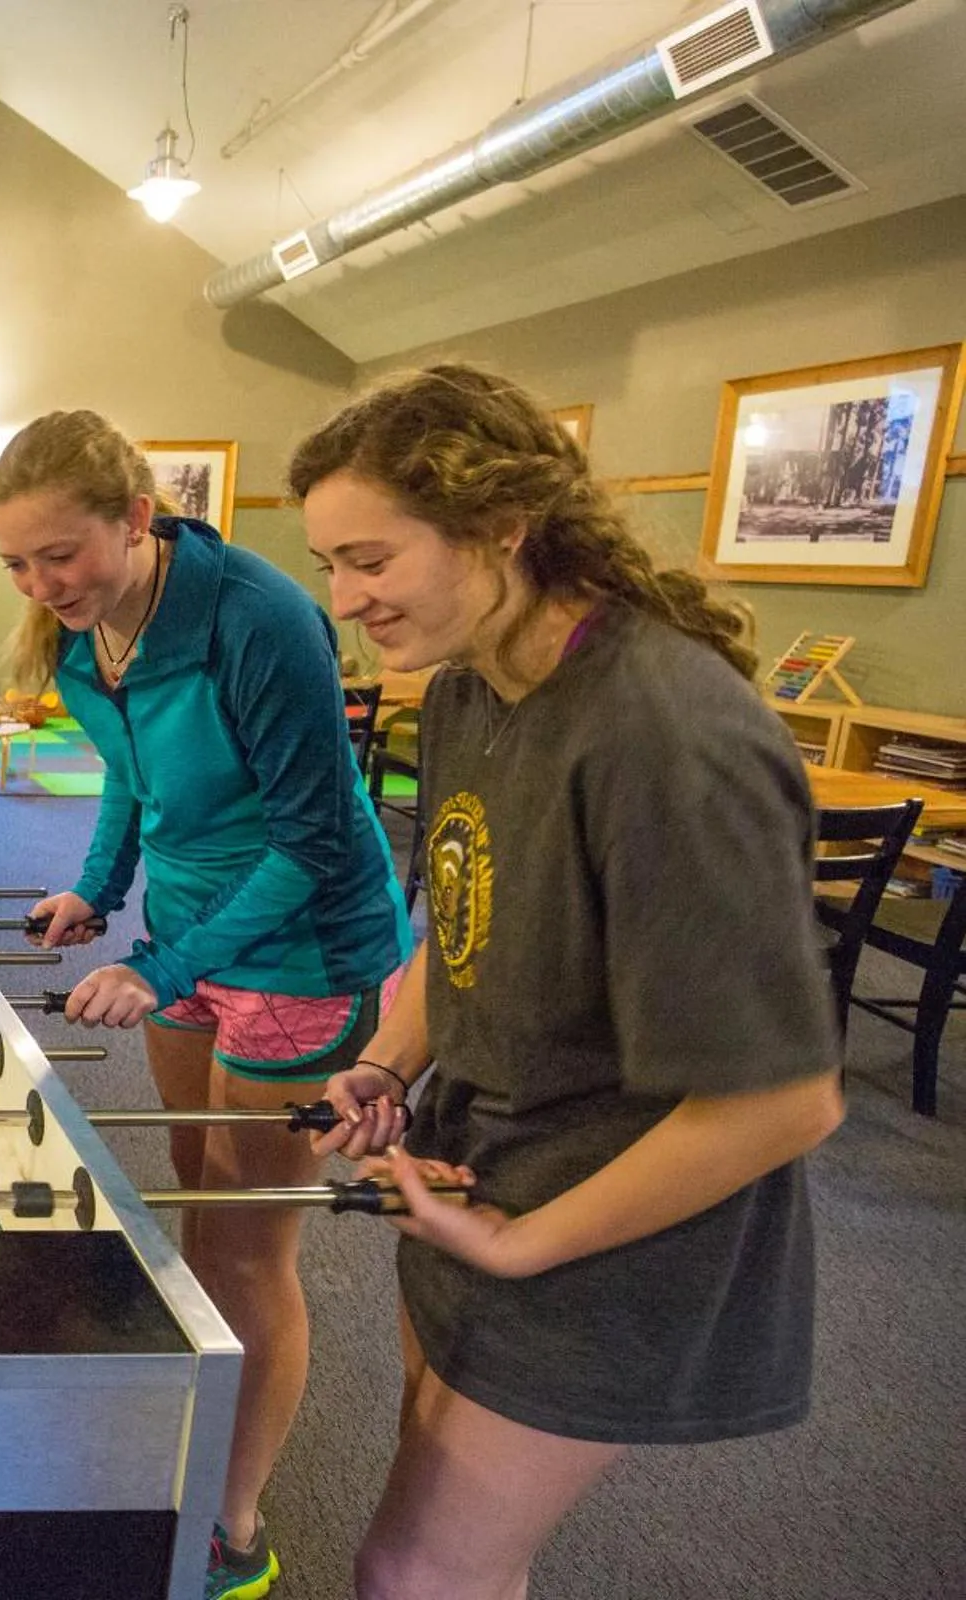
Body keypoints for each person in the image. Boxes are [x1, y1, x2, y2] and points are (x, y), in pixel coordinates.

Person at [293, 365, 844, 1600]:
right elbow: (465, 915)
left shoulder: (667, 728)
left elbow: (785, 1104)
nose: (344, 598)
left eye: (371, 559)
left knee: (411, 1569)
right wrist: (390, 1058)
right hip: (482, 1171)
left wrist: (526, 1245)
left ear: (501, 527)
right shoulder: (466, 686)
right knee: (458, 1546)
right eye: (331, 564)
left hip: (605, 1225)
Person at [0, 409, 411, 1600]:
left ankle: (231, 1520)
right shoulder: (75, 636)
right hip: (188, 929)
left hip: (303, 947)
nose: (40, 581)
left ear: (135, 517)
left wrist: (160, 969)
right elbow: (130, 776)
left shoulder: (259, 617)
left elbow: (315, 841)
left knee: (245, 1238)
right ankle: (182, 1414)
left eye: (59, 553)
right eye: (16, 562)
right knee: (188, 1187)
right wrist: (98, 889)